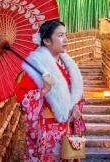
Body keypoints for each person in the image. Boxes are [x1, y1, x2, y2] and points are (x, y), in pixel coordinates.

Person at [14, 19, 85, 162]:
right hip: (46, 131)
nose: (65, 39)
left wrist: (76, 106)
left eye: (65, 35)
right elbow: (23, 102)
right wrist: (44, 90)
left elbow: (77, 94)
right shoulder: (34, 69)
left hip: (67, 128)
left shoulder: (68, 65)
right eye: (60, 36)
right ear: (46, 41)